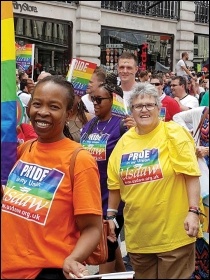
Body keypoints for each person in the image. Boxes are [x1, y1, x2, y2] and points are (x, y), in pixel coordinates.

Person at [1, 75, 103, 279]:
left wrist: (74, 259)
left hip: (48, 272)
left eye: (54, 107)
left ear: (69, 112)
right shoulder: (24, 150)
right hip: (8, 270)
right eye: (37, 104)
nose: (43, 112)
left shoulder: (80, 159)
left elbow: (93, 227)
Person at [106, 82, 202, 279]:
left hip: (175, 236)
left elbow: (191, 174)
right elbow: (114, 184)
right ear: (131, 111)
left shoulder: (173, 133)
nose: (144, 110)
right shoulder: (124, 142)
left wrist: (193, 212)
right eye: (138, 106)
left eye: (150, 105)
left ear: (159, 108)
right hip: (139, 238)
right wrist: (110, 216)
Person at [80, 73, 126, 274]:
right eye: (93, 99)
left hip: (113, 200)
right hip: (93, 195)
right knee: (110, 246)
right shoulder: (90, 124)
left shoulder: (123, 125)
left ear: (113, 99)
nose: (95, 103)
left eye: (99, 99)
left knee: (105, 249)